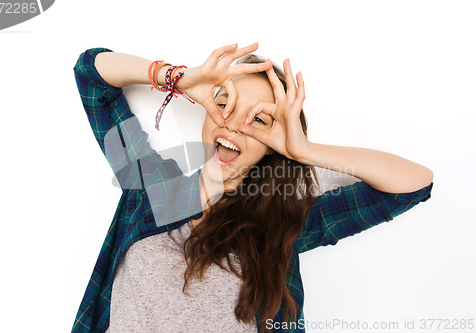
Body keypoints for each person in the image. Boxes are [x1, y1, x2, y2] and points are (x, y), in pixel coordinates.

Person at [71, 42, 434, 333]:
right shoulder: (149, 185)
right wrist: (180, 79)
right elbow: (91, 74)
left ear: (271, 145)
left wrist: (303, 150)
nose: (235, 124)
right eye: (226, 105)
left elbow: (412, 185)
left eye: (259, 120)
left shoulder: (281, 224)